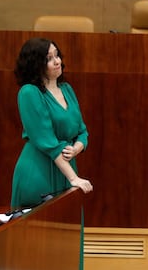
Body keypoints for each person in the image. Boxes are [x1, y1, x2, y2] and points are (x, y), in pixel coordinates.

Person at [11, 37, 93, 209]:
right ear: (36, 65)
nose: (56, 61)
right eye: (49, 59)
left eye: (57, 55)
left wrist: (76, 148)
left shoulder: (67, 89)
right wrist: (73, 178)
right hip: (39, 171)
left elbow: (82, 131)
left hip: (66, 168)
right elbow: (47, 142)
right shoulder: (29, 93)